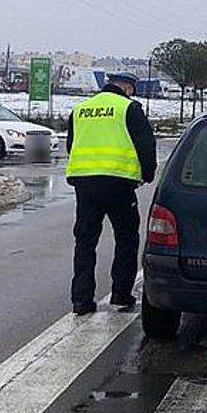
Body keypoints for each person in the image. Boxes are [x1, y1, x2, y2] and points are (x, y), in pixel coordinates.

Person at [65, 72, 157, 315]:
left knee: (85, 241)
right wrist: (148, 174)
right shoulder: (128, 108)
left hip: (85, 184)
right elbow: (146, 144)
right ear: (127, 87)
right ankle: (120, 293)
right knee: (126, 237)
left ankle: (81, 300)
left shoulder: (81, 109)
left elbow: (71, 145)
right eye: (132, 89)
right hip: (118, 183)